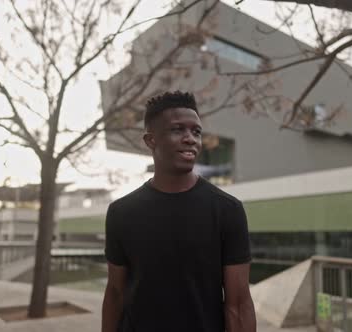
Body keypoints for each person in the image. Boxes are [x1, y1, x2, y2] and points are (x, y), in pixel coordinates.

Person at [102, 91, 256, 332]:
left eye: (196, 132)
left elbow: (238, 303)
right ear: (150, 140)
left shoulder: (228, 210)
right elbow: (115, 293)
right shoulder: (121, 213)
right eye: (177, 130)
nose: (190, 139)